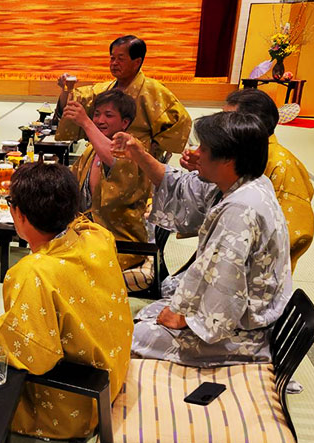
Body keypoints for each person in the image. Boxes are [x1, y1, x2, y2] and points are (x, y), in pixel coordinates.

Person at [0, 163, 132, 440]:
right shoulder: (94, 235)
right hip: (112, 369)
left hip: (77, 403)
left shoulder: (33, 272)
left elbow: (34, 358)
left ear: (19, 214)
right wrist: (6, 324)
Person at [120, 112, 293, 368]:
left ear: (229, 159)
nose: (195, 153)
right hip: (244, 314)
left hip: (243, 332)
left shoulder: (240, 210)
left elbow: (227, 284)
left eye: (204, 148)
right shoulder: (251, 183)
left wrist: (186, 319)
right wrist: (139, 154)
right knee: (146, 313)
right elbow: (183, 187)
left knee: (130, 338)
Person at [64, 90, 156, 290]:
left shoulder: (133, 150)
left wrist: (86, 122)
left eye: (108, 115)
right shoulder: (92, 149)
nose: (99, 120)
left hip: (119, 242)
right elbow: (69, 181)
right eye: (96, 114)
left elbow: (115, 159)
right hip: (87, 235)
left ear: (125, 123)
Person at [220, 89, 314, 271]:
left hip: (255, 268)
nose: (220, 126)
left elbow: (292, 234)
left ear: (252, 125)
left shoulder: (281, 165)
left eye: (228, 120)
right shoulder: (241, 153)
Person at [55, 35, 192, 160]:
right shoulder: (103, 89)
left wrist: (154, 146)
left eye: (120, 59)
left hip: (137, 159)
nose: (114, 63)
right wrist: (66, 89)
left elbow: (181, 121)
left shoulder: (154, 91)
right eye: (112, 58)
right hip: (100, 153)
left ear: (137, 62)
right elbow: (75, 102)